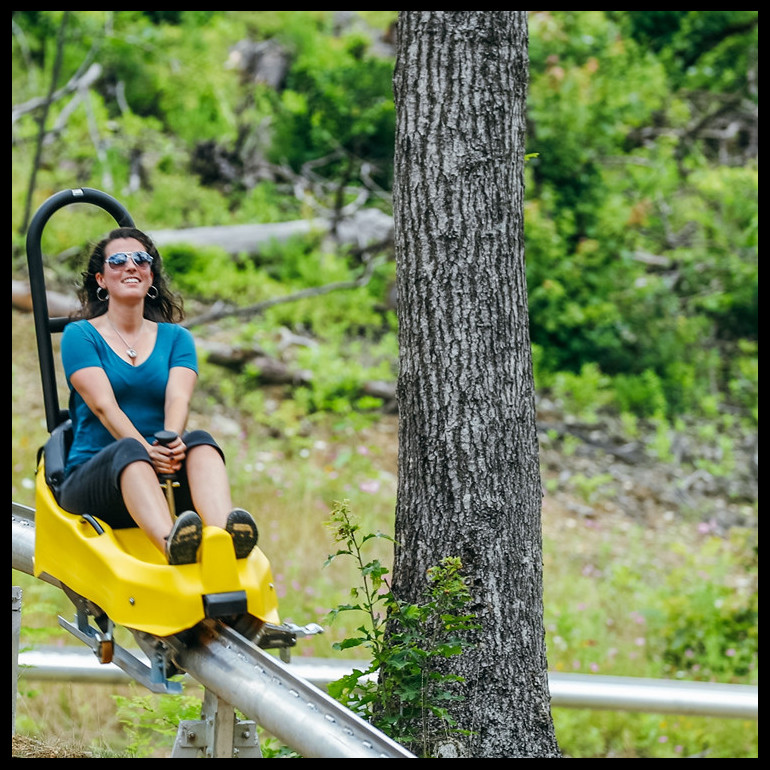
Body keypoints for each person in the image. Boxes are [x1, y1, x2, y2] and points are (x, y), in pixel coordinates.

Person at [57, 226, 258, 565]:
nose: (131, 266)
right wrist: (146, 451)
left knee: (201, 442)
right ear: (102, 279)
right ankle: (172, 546)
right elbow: (104, 407)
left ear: (151, 276)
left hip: (160, 475)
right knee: (129, 450)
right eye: (118, 260)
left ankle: (225, 540)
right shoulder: (80, 335)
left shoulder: (177, 338)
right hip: (97, 478)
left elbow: (178, 399)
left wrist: (169, 442)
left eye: (141, 259)